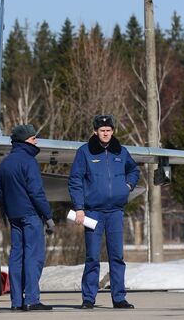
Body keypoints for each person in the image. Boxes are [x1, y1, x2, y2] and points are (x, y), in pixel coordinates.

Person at [68, 115, 140, 309]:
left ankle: (119, 298)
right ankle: (88, 298)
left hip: (115, 212)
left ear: (113, 131)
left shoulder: (121, 152)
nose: (106, 133)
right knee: (92, 256)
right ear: (95, 132)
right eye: (102, 130)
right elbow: (75, 180)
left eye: (108, 130)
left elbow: (134, 171)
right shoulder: (85, 152)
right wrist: (79, 208)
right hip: (93, 212)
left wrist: (128, 185)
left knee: (117, 256)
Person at [0, 124, 54, 311]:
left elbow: (1, 194)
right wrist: (48, 216)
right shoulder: (29, 162)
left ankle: (16, 301)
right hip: (30, 215)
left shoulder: (4, 163)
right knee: (33, 256)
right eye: (33, 138)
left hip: (14, 216)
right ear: (24, 140)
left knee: (16, 257)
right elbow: (36, 192)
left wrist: (7, 213)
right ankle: (31, 299)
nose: (36, 141)